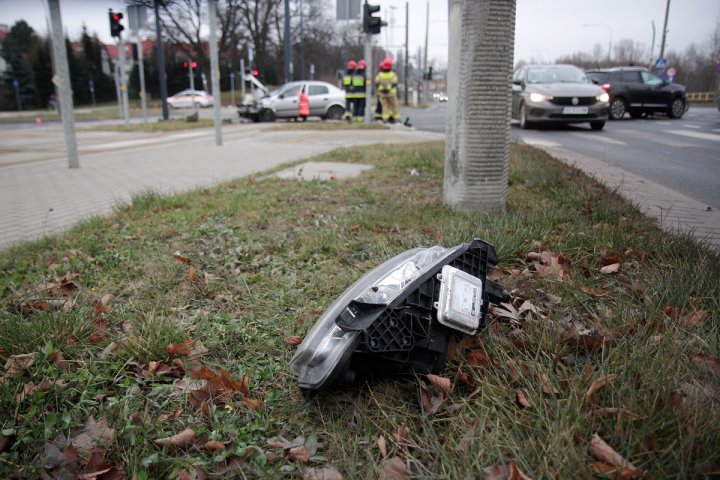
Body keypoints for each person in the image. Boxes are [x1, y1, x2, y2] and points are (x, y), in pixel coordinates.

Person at [375, 57, 401, 123]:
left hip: (382, 94)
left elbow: (377, 83)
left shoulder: (380, 75)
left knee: (384, 106)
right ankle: (396, 119)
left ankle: (385, 119)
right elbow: (395, 83)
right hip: (391, 93)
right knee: (394, 106)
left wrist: (382, 88)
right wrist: (388, 88)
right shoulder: (393, 74)